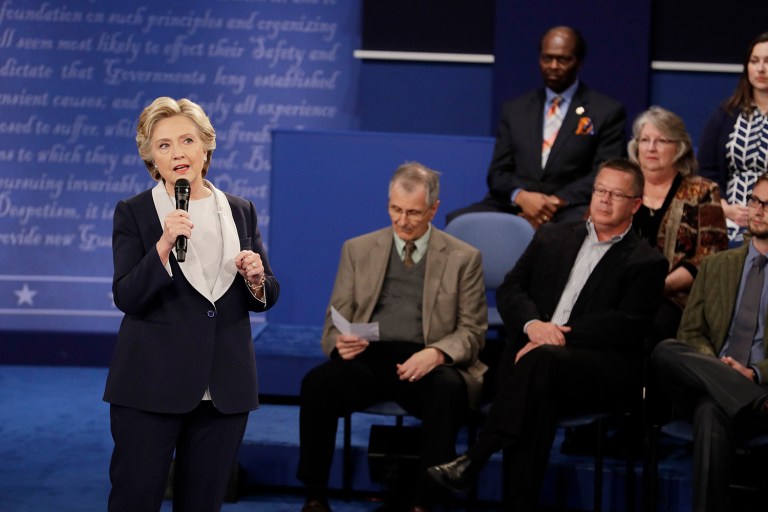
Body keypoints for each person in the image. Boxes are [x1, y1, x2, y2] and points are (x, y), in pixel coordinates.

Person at [427, 159, 667, 511]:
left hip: (599, 368)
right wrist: (532, 327)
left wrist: (556, 337)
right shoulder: (553, 236)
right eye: (600, 190)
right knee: (538, 392)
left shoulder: (647, 261)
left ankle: (474, 458)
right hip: (539, 363)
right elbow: (512, 288)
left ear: (635, 204)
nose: (604, 200)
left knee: (537, 365)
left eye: (616, 194)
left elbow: (625, 324)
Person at [103, 97, 280, 512]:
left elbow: (266, 296)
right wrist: (163, 246)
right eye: (163, 145)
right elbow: (126, 295)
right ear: (150, 157)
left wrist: (256, 279)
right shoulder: (134, 213)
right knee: (135, 499)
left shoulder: (240, 210)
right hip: (150, 386)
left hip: (223, 390)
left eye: (187, 140)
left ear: (206, 147)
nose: (177, 153)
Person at [297, 162, 487, 512]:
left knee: (448, 390)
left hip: (425, 358)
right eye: (395, 210)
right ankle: (315, 495)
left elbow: (473, 332)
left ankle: (423, 502)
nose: (402, 220)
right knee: (317, 385)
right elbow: (333, 322)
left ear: (434, 209)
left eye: (413, 212)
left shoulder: (463, 258)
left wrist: (438, 354)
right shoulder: (358, 249)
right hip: (370, 356)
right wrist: (340, 343)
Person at [652, 173, 768, 512]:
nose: (758, 211)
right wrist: (720, 369)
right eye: (755, 201)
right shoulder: (717, 265)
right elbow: (690, 335)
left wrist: (755, 375)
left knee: (710, 409)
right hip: (722, 380)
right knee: (665, 349)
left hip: (755, 387)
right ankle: (746, 396)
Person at [446, 26, 626, 228]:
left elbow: (604, 174)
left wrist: (553, 202)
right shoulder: (515, 109)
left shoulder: (606, 112)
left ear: (579, 62)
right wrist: (522, 197)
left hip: (568, 207)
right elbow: (497, 173)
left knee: (580, 229)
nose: (553, 66)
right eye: (547, 58)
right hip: (515, 204)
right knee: (458, 222)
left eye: (563, 59)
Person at [627, 106, 728, 341]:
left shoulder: (702, 191)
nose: (651, 148)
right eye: (645, 140)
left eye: (661, 140)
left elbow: (710, 257)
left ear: (679, 148)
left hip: (673, 298)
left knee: (646, 327)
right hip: (618, 290)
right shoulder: (620, 187)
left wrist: (659, 286)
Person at [699, 32, 768, 244]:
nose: (761, 68)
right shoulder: (726, 113)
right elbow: (705, 172)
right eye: (754, 61)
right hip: (730, 217)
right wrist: (725, 208)